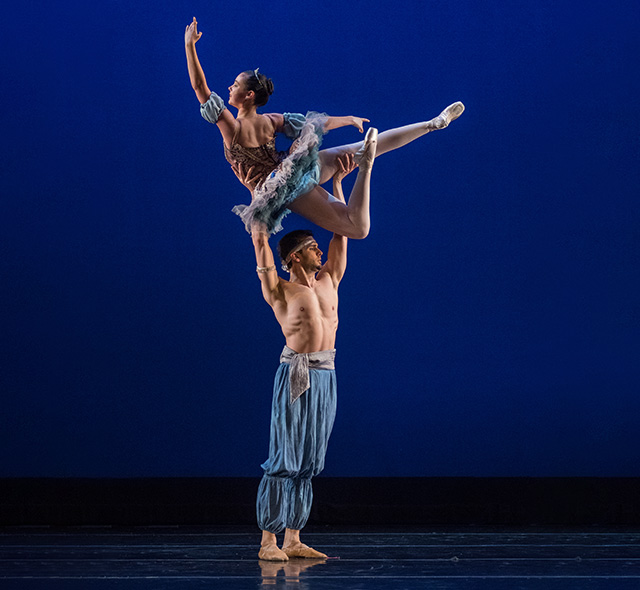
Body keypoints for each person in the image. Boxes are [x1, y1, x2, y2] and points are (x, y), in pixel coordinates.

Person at [184, 17, 464, 238]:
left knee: (357, 229)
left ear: (249, 95)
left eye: (235, 84)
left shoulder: (232, 128)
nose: (230, 87)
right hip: (299, 163)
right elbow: (314, 123)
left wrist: (189, 47)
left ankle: (365, 168)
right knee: (364, 149)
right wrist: (349, 119)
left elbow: (200, 88)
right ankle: (431, 124)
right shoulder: (271, 120)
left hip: (282, 188)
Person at [241, 143, 375, 561]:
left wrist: (339, 183)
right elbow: (261, 245)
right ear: (296, 256)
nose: (320, 251)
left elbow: (345, 228)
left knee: (310, 457)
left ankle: (294, 538)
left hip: (326, 374)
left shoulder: (329, 281)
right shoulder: (280, 290)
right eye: (312, 247)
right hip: (296, 373)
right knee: (285, 455)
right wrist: (259, 206)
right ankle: (268, 541)